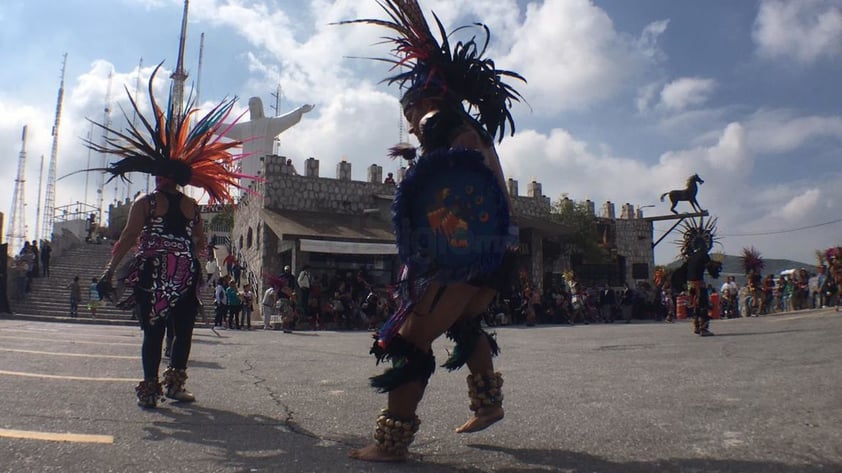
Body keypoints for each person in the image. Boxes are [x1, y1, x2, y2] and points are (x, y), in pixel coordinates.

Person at [341, 0, 525, 461]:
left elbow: (459, 186)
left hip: (465, 253)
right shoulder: (471, 128)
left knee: (412, 337)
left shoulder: (440, 122)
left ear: (423, 103)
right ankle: (488, 404)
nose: (411, 125)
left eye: (410, 114)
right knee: (464, 321)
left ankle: (392, 442)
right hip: (494, 250)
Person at [90, 65, 248, 408]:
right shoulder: (192, 205)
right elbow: (200, 245)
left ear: (157, 176)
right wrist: (205, 269)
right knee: (182, 331)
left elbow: (130, 236)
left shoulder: (146, 203)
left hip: (155, 271)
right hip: (184, 272)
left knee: (153, 330)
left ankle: (150, 389)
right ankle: (175, 385)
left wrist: (109, 270)